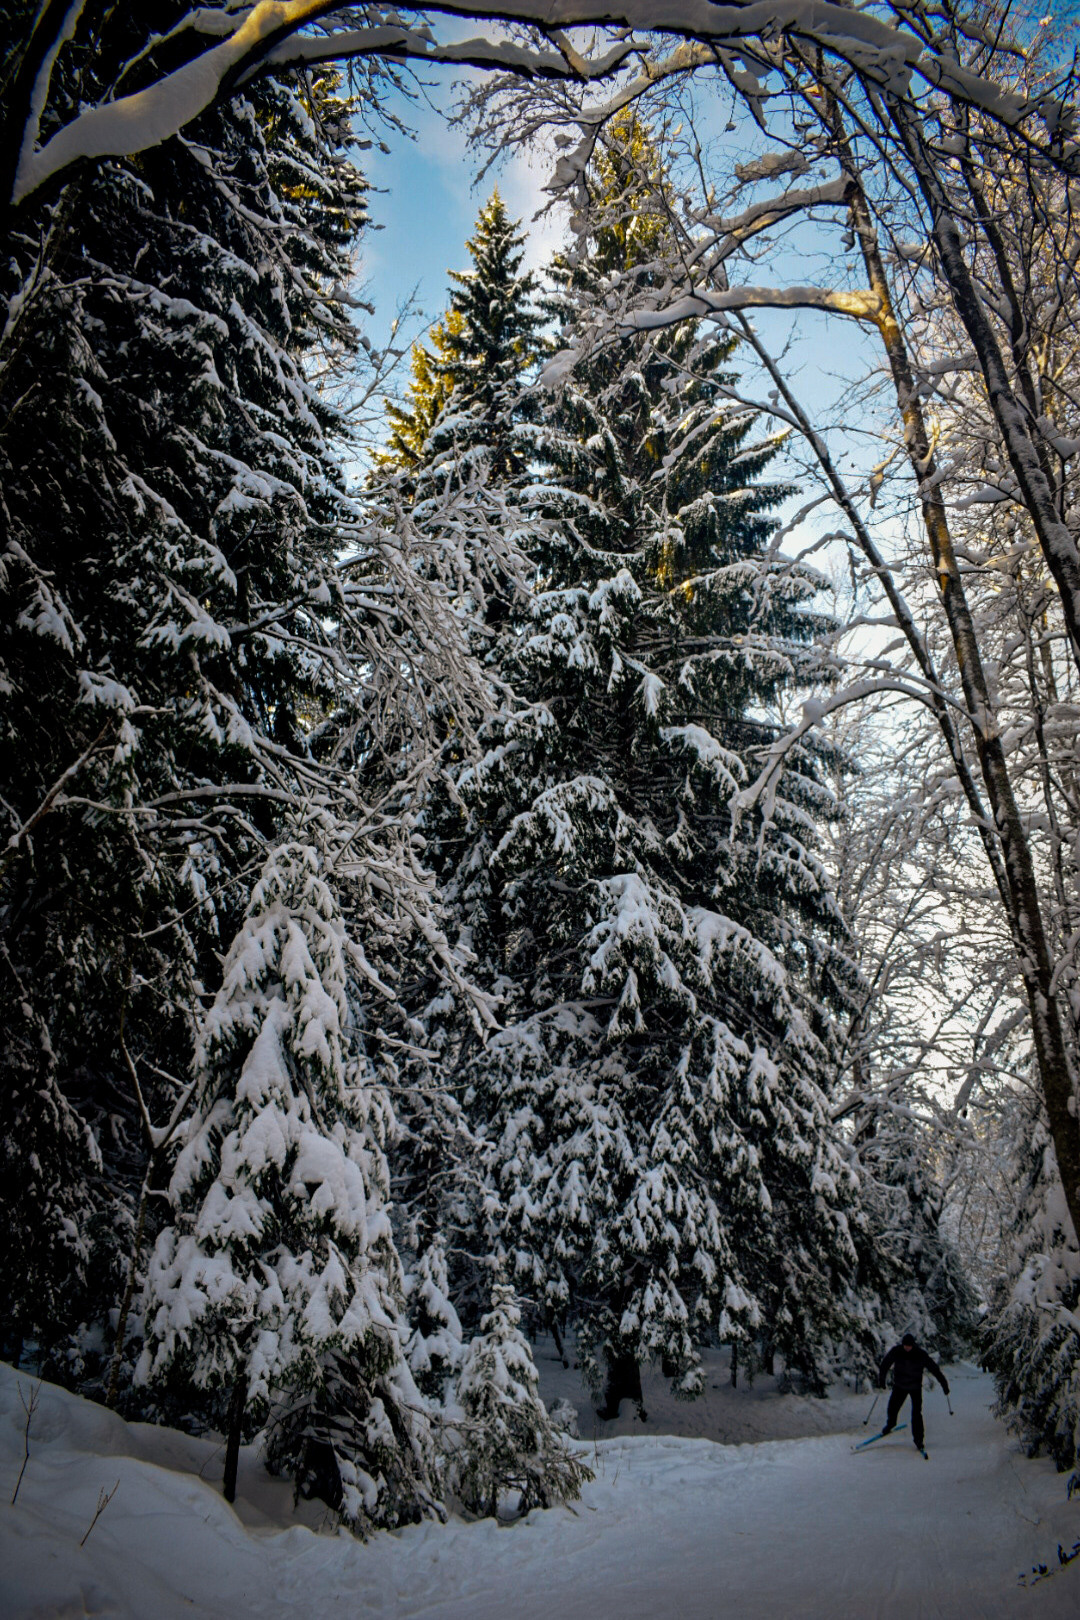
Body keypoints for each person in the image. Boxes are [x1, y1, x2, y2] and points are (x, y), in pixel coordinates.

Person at [878, 1331, 949, 1451]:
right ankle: (891, 1424)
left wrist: (944, 1384)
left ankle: (918, 1439)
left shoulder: (920, 1354)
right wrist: (881, 1380)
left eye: (909, 1346)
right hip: (900, 1386)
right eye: (905, 1345)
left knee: (916, 1413)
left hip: (915, 1387)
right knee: (892, 1407)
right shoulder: (897, 1351)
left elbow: (934, 1368)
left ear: (913, 1345)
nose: (907, 1348)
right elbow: (885, 1364)